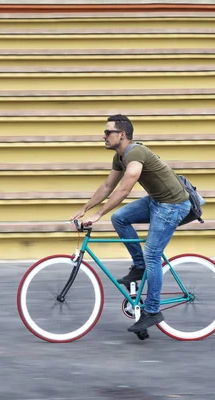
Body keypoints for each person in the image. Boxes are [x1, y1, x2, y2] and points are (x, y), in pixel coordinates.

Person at [70, 114, 191, 333]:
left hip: (173, 205)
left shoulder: (136, 152)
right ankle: (139, 266)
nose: (104, 136)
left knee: (153, 254)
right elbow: (108, 186)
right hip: (157, 201)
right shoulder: (120, 156)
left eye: (108, 132)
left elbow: (125, 189)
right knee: (120, 218)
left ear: (122, 135)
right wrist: (85, 208)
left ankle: (152, 311)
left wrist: (98, 215)